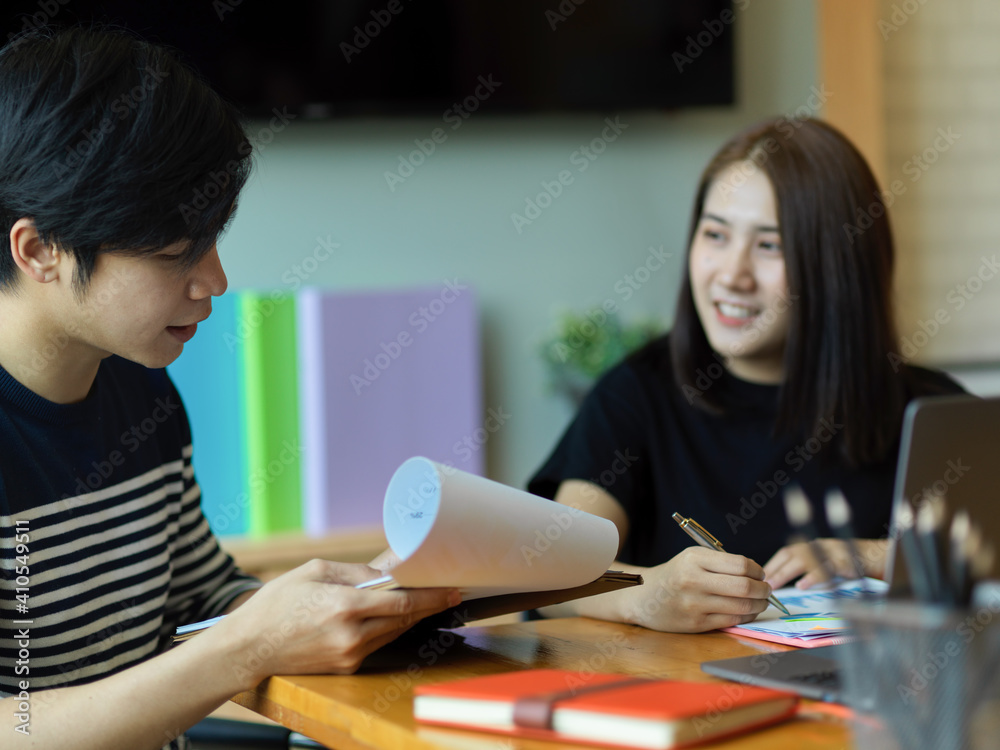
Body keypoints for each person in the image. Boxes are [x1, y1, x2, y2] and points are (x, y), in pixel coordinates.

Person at [0, 27, 458, 750]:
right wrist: (247, 647)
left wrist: (365, 600)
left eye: (213, 238)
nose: (214, 281)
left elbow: (201, 600)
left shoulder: (140, 391)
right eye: (171, 252)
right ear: (40, 251)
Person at [528, 116, 965, 634]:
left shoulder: (929, 410)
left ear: (838, 263)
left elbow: (984, 552)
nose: (731, 274)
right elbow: (546, 573)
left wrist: (875, 556)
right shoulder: (638, 393)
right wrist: (644, 595)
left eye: (769, 245)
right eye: (715, 234)